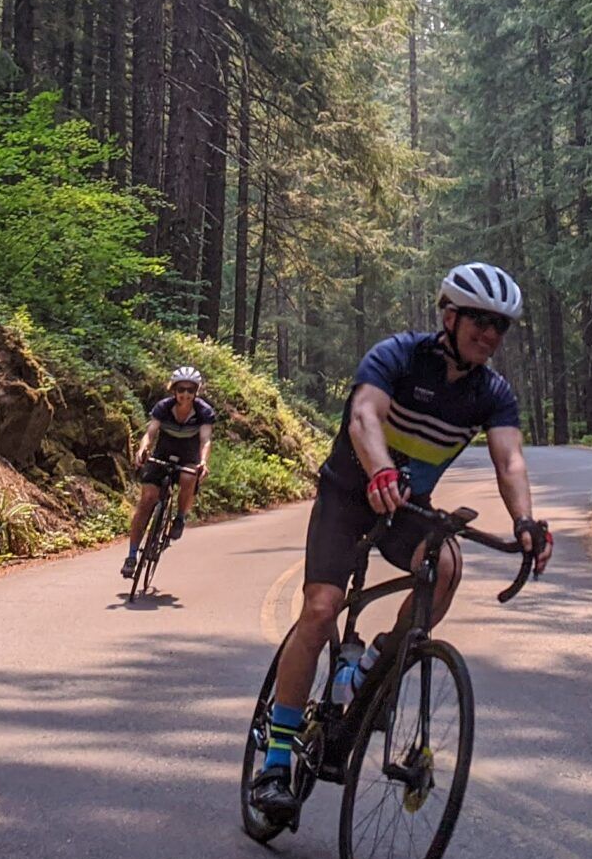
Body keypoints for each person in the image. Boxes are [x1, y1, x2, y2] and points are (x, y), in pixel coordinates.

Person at [247, 262, 554, 825]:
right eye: (480, 321)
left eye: (501, 326)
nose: (490, 334)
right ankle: (275, 759)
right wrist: (380, 469)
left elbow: (509, 458)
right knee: (319, 611)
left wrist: (526, 521)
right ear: (450, 315)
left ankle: (371, 672)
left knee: (448, 567)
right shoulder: (398, 355)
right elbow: (365, 415)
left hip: (406, 508)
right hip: (349, 493)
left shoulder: (493, 394)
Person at [121, 367, 216, 580]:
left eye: (191, 390)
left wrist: (203, 461)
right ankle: (131, 556)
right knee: (147, 500)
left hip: (188, 455)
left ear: (196, 392)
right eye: (181, 389)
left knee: (189, 477)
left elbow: (205, 440)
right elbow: (150, 432)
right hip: (162, 453)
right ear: (174, 390)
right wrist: (142, 449)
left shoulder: (203, 412)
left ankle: (180, 518)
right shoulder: (164, 407)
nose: (185, 394)